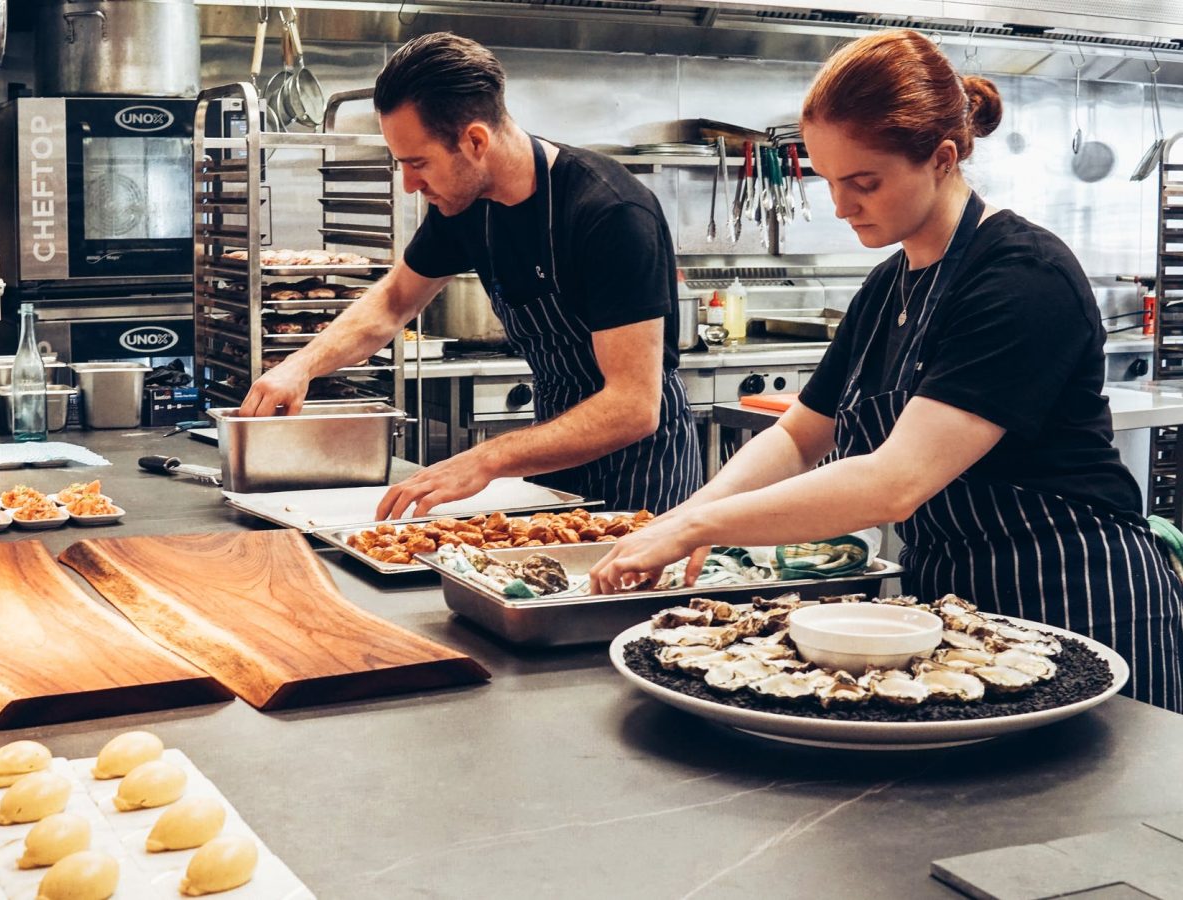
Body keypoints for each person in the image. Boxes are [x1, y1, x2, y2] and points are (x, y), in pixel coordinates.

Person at [590, 29, 1183, 712]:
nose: (841, 206)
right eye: (829, 180)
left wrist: (700, 529)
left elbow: (894, 483)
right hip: (955, 612)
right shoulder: (887, 286)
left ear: (941, 158)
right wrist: (687, 514)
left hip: (1077, 594)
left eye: (863, 182)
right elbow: (797, 438)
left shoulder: (1022, 277)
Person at [238, 32, 702, 518]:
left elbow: (632, 406)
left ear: (475, 140)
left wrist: (486, 458)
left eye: (418, 163)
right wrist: (300, 366)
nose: (410, 184)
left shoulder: (609, 212)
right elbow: (395, 300)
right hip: (552, 457)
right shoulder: (466, 207)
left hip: (644, 476)